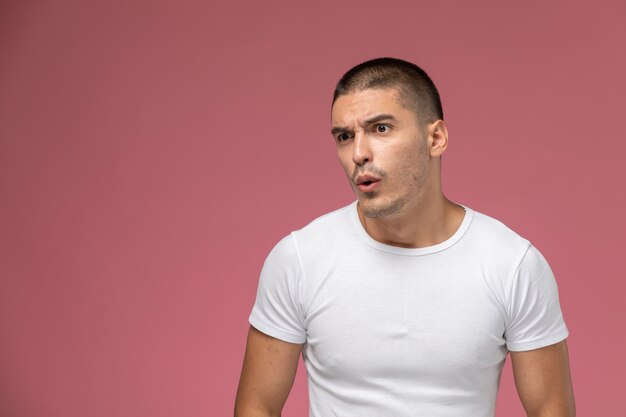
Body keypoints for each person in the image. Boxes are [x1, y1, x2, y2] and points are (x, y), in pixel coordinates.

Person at [234, 57, 575, 417]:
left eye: (380, 128)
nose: (359, 154)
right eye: (345, 137)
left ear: (436, 138)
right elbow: (257, 406)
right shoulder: (300, 259)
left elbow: (549, 410)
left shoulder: (512, 264)